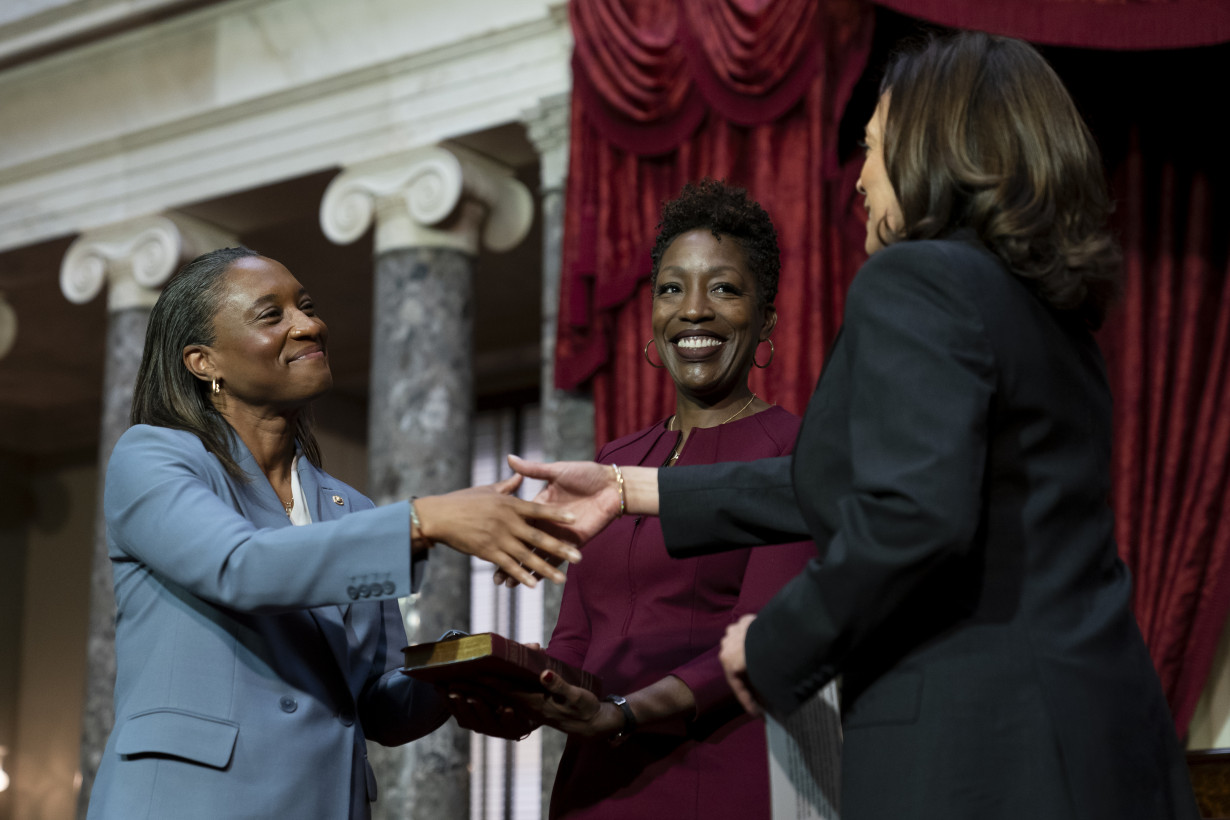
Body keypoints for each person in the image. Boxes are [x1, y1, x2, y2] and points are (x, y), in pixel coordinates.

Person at [510, 32, 1200, 820]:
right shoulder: (1054, 318)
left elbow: (910, 514)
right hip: (1104, 739)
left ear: (932, 150)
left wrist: (769, 648)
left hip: (983, 750)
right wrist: (630, 489)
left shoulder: (917, 278)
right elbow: (859, 482)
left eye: (872, 149)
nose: (860, 180)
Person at [87, 247, 580, 819]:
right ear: (203, 362)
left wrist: (457, 673)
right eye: (271, 315)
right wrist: (425, 520)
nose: (309, 324)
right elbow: (240, 566)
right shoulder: (152, 456)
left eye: (307, 307)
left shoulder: (352, 508)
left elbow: (380, 707)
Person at [449, 180, 837, 819]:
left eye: (724, 289)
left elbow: (766, 636)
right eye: (671, 288)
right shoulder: (610, 463)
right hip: (594, 780)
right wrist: (526, 692)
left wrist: (623, 715)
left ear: (765, 319)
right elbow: (576, 639)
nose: (693, 311)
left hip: (714, 772)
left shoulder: (793, 451)